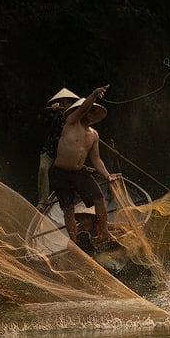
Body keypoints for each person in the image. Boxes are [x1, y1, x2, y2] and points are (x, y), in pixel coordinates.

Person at [51, 85, 120, 247]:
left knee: (99, 198)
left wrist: (107, 175)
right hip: (60, 172)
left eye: (93, 113)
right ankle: (75, 240)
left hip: (79, 172)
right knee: (68, 209)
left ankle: (104, 231)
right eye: (88, 111)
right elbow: (82, 108)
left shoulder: (94, 135)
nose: (90, 115)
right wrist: (95, 93)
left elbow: (96, 159)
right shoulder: (71, 122)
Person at [36, 86, 77, 203]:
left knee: (68, 176)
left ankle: (71, 198)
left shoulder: (74, 119)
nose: (64, 105)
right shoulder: (53, 116)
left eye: (67, 102)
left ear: (72, 104)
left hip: (65, 154)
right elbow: (44, 122)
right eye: (62, 103)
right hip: (49, 151)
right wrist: (54, 111)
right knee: (43, 169)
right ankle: (42, 201)